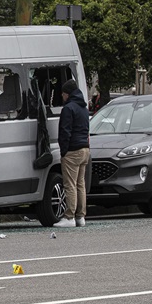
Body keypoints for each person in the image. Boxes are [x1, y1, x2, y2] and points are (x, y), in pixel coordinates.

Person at [55, 79, 90, 229]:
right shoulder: (84, 108)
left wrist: (64, 151)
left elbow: (65, 131)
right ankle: (81, 216)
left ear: (67, 94)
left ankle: (69, 216)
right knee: (80, 184)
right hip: (85, 149)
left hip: (72, 150)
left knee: (70, 185)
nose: (62, 96)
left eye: (63, 94)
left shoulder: (68, 108)